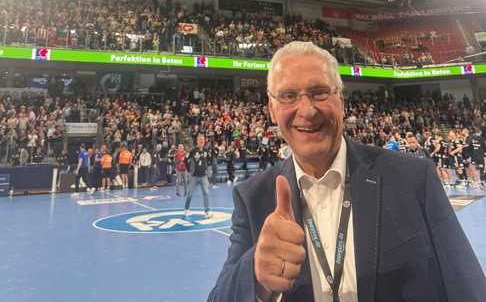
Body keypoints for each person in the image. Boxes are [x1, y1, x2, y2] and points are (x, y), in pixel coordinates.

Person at [207, 41, 486, 302]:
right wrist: (255, 274)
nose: (307, 110)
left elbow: (466, 283)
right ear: (271, 108)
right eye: (289, 96)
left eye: (319, 92)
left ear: (341, 99)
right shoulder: (252, 196)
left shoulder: (413, 177)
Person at [184, 133, 213, 218]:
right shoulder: (193, 150)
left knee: (206, 193)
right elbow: (186, 160)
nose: (202, 141)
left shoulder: (206, 150)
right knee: (190, 193)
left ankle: (207, 211)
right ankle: (186, 209)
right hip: (194, 176)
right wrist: (189, 170)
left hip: (203, 176)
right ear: (197, 141)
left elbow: (210, 160)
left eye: (203, 140)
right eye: (200, 140)